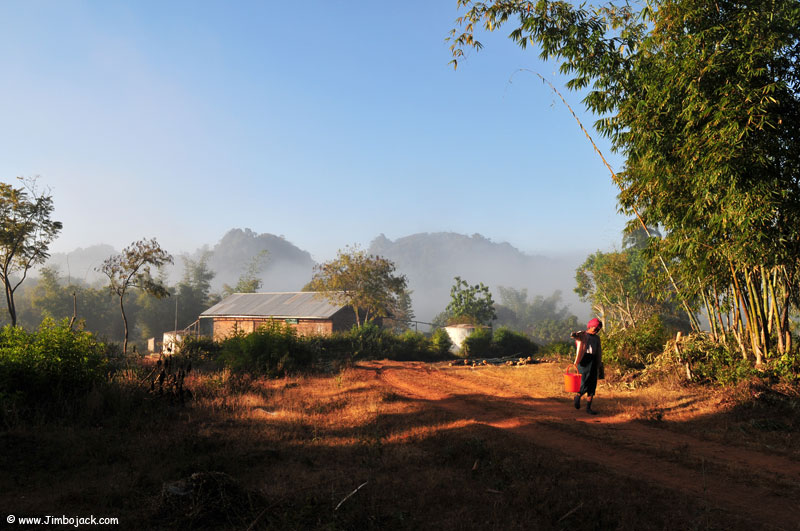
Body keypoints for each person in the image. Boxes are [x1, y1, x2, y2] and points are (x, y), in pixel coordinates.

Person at [572, 318, 603, 414]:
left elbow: (598, 351)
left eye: (598, 329)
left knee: (592, 384)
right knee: (584, 381)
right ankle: (578, 396)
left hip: (594, 360)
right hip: (584, 360)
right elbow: (575, 336)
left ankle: (588, 408)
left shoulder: (597, 338)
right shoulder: (583, 335)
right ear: (591, 326)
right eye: (596, 328)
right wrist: (574, 335)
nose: (597, 330)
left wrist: (599, 363)